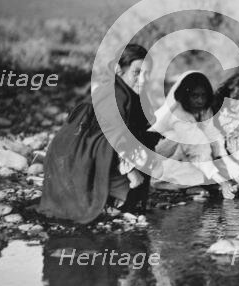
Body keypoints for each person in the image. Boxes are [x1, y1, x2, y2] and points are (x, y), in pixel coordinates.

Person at [37, 44, 158, 223]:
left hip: (85, 156)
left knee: (146, 139)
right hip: (74, 160)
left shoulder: (132, 94)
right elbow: (114, 136)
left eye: (147, 74)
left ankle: (112, 193)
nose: (143, 80)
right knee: (129, 194)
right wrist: (132, 172)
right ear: (119, 70)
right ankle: (106, 195)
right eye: (137, 72)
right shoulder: (115, 94)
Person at [148, 71, 239, 198]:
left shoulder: (205, 110)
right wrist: (223, 182)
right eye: (195, 96)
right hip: (159, 161)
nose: (200, 100)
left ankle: (197, 182)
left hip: (192, 157)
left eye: (203, 96)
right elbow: (198, 150)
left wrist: (230, 164)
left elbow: (214, 138)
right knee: (185, 142)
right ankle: (165, 183)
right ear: (186, 96)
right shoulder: (178, 114)